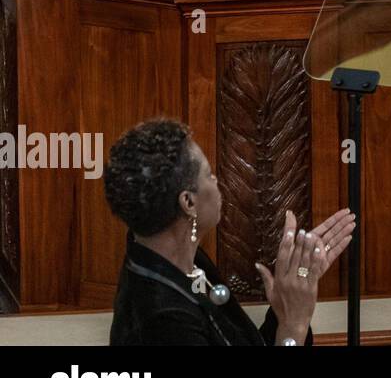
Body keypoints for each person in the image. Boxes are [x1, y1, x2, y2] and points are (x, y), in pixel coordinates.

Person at [104, 119, 355, 345]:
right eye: (208, 175)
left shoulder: (182, 261)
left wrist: (283, 310)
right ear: (188, 203)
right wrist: (294, 324)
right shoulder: (163, 322)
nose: (216, 181)